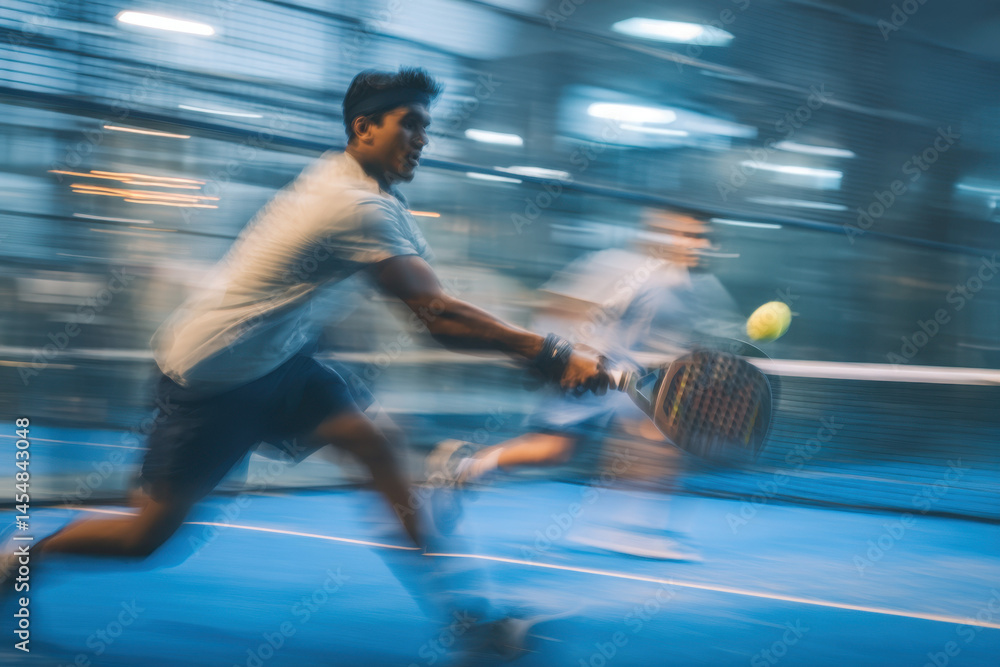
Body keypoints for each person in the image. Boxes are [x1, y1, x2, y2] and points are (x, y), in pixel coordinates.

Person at [1, 67, 608, 653]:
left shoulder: (362, 187)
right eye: (410, 124)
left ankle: (467, 620)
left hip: (282, 360)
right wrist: (548, 352)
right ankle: (25, 558)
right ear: (364, 127)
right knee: (146, 538)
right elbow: (437, 317)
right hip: (214, 376)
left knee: (379, 443)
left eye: (427, 127)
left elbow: (438, 306)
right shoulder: (353, 204)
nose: (423, 139)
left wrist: (537, 357)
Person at [431, 210, 745, 559]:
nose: (696, 244)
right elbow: (560, 306)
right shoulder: (621, 266)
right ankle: (626, 529)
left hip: (628, 380)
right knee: (620, 440)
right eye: (686, 235)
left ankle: (466, 469)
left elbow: (688, 345)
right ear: (660, 234)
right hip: (588, 372)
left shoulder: (693, 286)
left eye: (701, 237)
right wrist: (564, 358)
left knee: (565, 448)